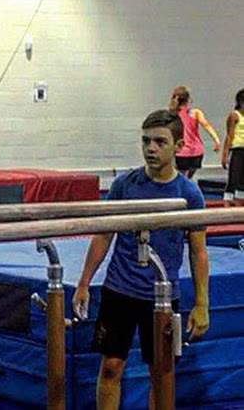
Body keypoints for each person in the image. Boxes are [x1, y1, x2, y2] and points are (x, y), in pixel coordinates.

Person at [72, 109, 210, 410]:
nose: (151, 148)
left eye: (160, 142)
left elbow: (198, 251)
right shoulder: (125, 185)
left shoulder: (189, 194)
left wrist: (202, 304)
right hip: (119, 289)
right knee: (111, 367)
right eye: (146, 141)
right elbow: (103, 235)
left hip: (162, 296)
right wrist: (83, 283)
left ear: (179, 145)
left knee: (161, 373)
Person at [170, 85, 221, 179]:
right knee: (189, 177)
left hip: (181, 151)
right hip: (196, 151)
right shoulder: (195, 112)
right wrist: (216, 139)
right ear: (188, 99)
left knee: (182, 177)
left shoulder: (172, 114)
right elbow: (206, 125)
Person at [221, 87, 244, 200]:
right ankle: (227, 202)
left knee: (242, 181)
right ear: (240, 102)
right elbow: (229, 135)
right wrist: (225, 154)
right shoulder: (234, 115)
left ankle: (240, 204)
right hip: (237, 149)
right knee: (233, 179)